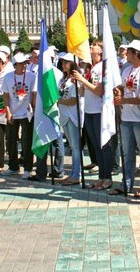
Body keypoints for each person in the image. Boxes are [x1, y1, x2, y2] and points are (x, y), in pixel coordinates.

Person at [111, 40, 140, 197]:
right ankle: (127, 184)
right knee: (127, 153)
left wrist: (124, 100)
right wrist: (118, 92)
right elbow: (123, 88)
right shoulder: (127, 70)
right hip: (127, 118)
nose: (125, 54)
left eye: (128, 52)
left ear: (136, 53)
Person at [72, 41, 114, 190]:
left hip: (99, 111)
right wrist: (80, 83)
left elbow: (99, 90)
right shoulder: (92, 68)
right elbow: (83, 92)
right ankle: (101, 177)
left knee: (103, 145)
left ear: (101, 51)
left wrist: (83, 80)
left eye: (94, 46)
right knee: (96, 146)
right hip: (89, 111)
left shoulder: (103, 67)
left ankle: (107, 177)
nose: (90, 48)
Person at [1, 53, 37, 179]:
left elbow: (33, 94)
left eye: (25, 63)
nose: (24, 66)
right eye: (21, 64)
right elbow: (5, 95)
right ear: (15, 65)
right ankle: (13, 166)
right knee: (11, 141)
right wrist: (8, 111)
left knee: (27, 142)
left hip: (27, 113)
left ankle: (27, 168)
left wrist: (35, 109)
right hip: (13, 112)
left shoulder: (31, 76)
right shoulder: (8, 77)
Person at [57, 53, 83, 185]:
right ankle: (73, 173)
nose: (63, 65)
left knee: (76, 147)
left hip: (73, 116)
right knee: (72, 147)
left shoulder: (75, 79)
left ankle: (76, 174)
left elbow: (74, 100)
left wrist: (59, 101)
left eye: (66, 62)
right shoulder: (63, 79)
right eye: (62, 62)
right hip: (64, 116)